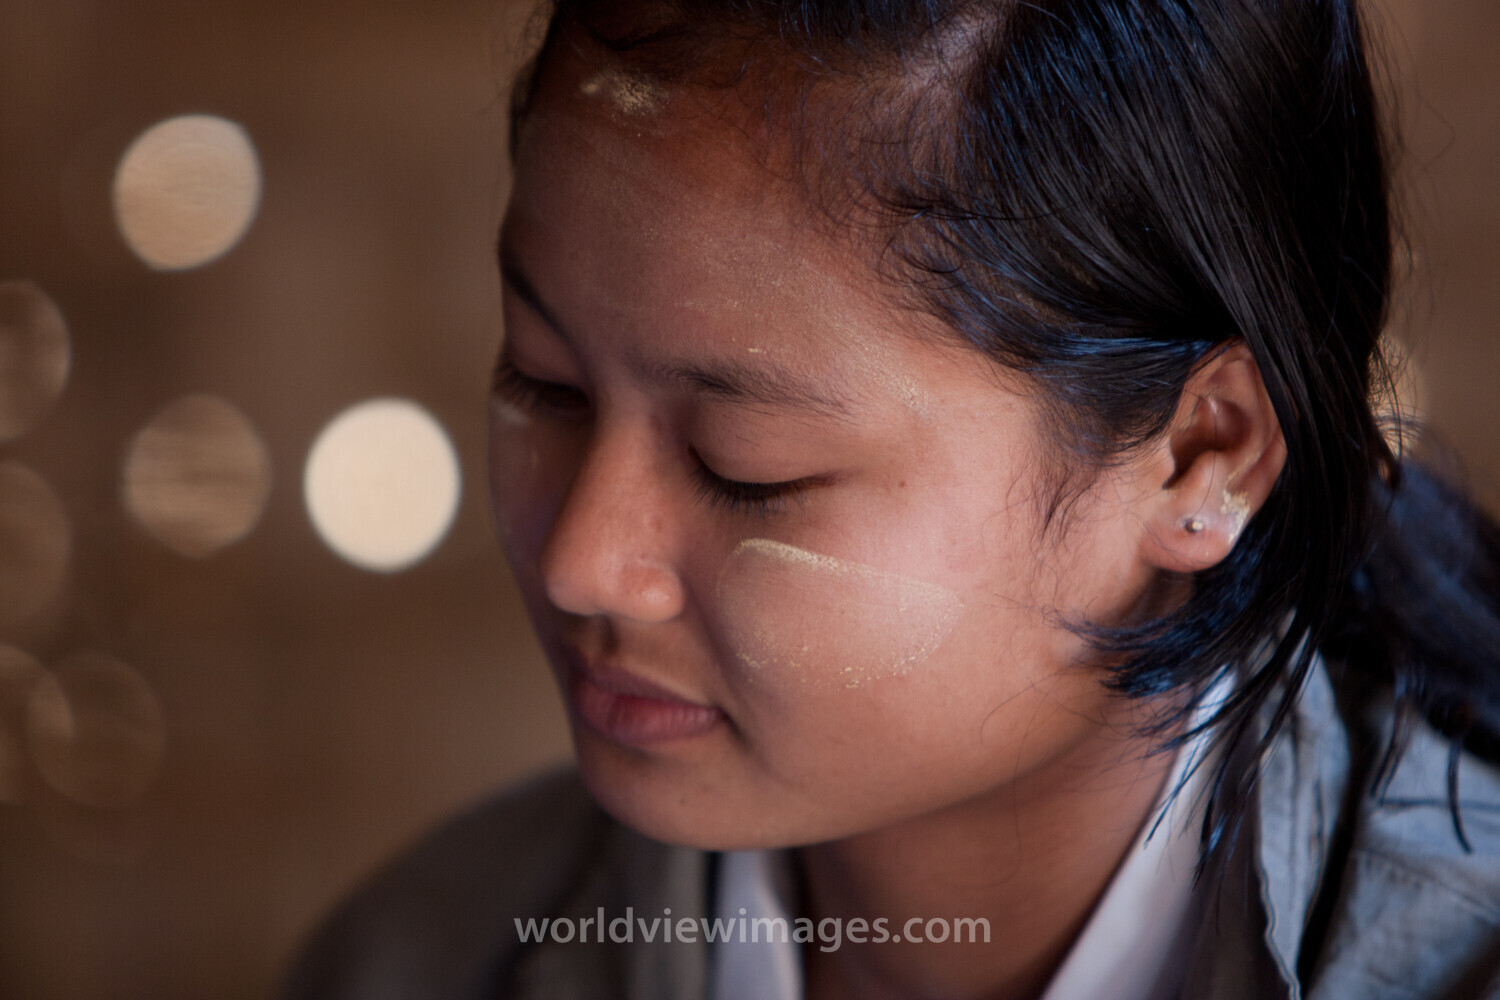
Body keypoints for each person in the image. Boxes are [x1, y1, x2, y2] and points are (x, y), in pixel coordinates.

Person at [283, 1, 1500, 997]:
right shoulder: (424, 958)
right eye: (544, 384)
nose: (582, 561)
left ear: (1202, 455)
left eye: (744, 462)